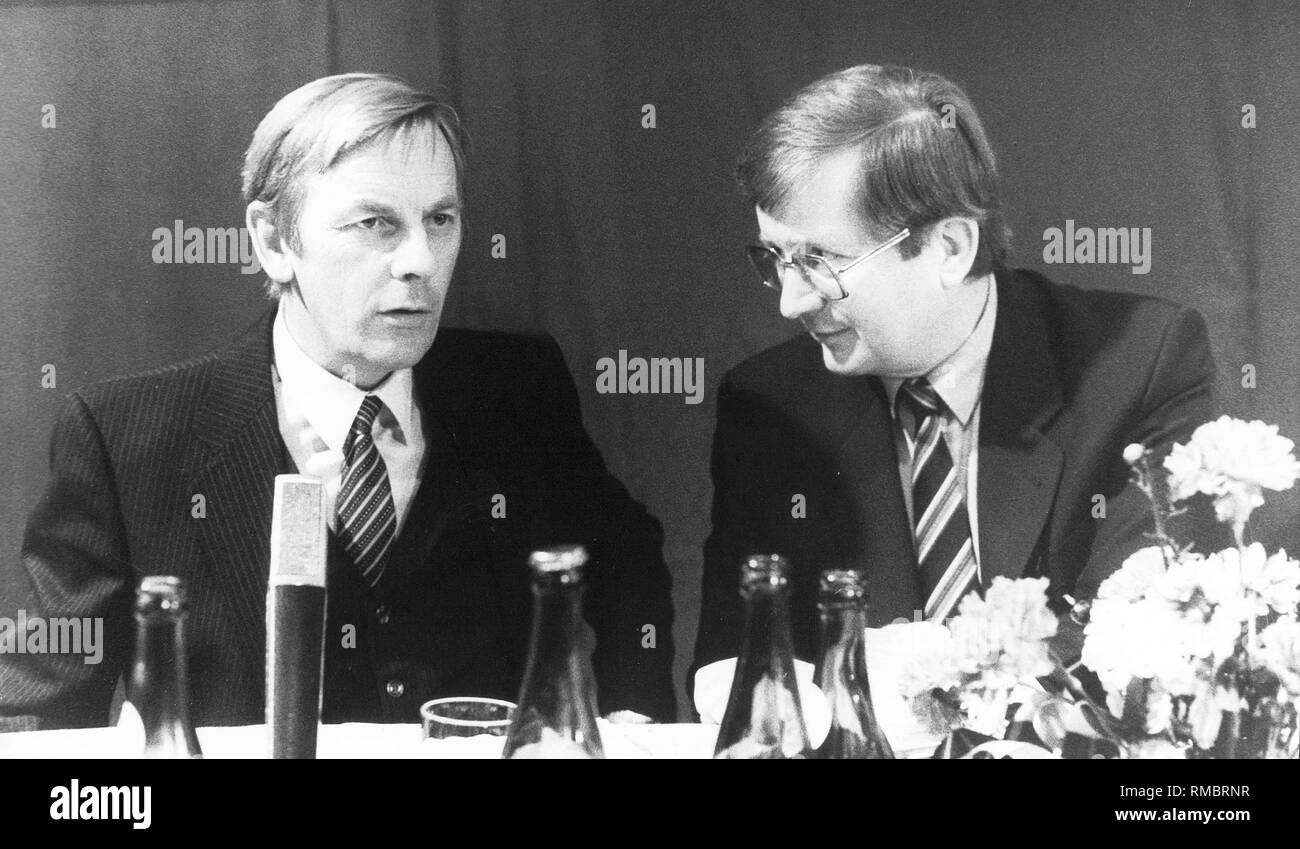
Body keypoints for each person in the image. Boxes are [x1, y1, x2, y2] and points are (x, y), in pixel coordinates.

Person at [1, 74, 675, 730]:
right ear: (272, 242)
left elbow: (629, 559)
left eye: (440, 219)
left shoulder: (517, 391)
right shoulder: (126, 441)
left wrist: (630, 722)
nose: (420, 260)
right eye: (376, 223)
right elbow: (44, 712)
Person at [693, 64, 1217, 678]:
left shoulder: (1143, 368)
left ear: (950, 248)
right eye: (776, 257)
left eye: (820, 261)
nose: (791, 301)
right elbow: (738, 681)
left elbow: (1146, 665)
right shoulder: (770, 408)